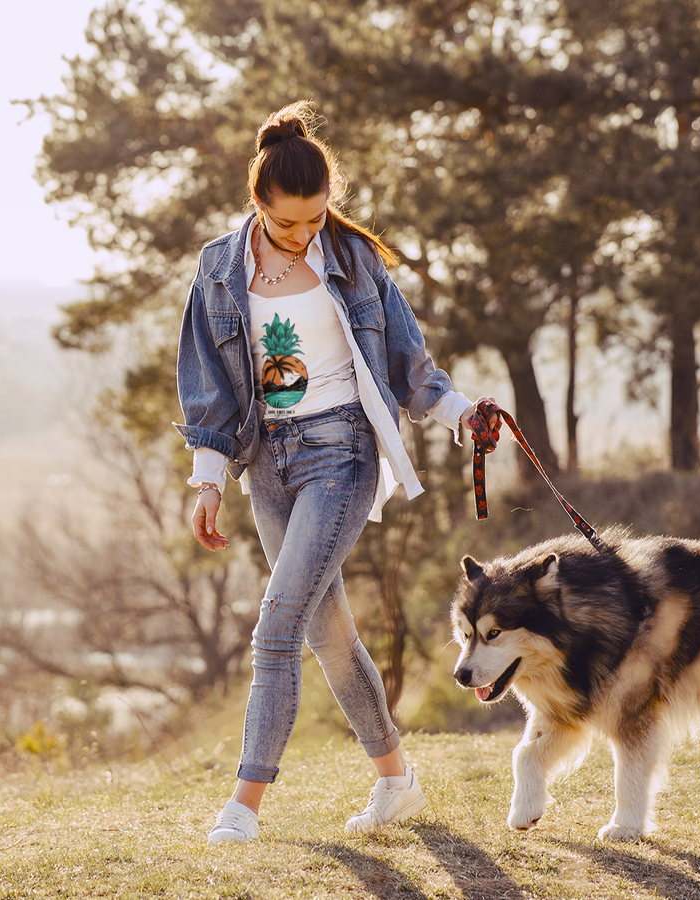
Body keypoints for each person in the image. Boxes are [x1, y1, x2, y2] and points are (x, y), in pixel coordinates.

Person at [175, 100, 494, 844]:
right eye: (290, 223)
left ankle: (242, 808)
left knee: (277, 626)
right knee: (329, 634)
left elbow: (408, 363)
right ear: (257, 203)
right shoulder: (218, 269)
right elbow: (208, 385)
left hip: (341, 451)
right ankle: (397, 782)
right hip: (268, 465)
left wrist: (460, 412)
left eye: (317, 218)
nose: (306, 233)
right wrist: (210, 478)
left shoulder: (350, 258)